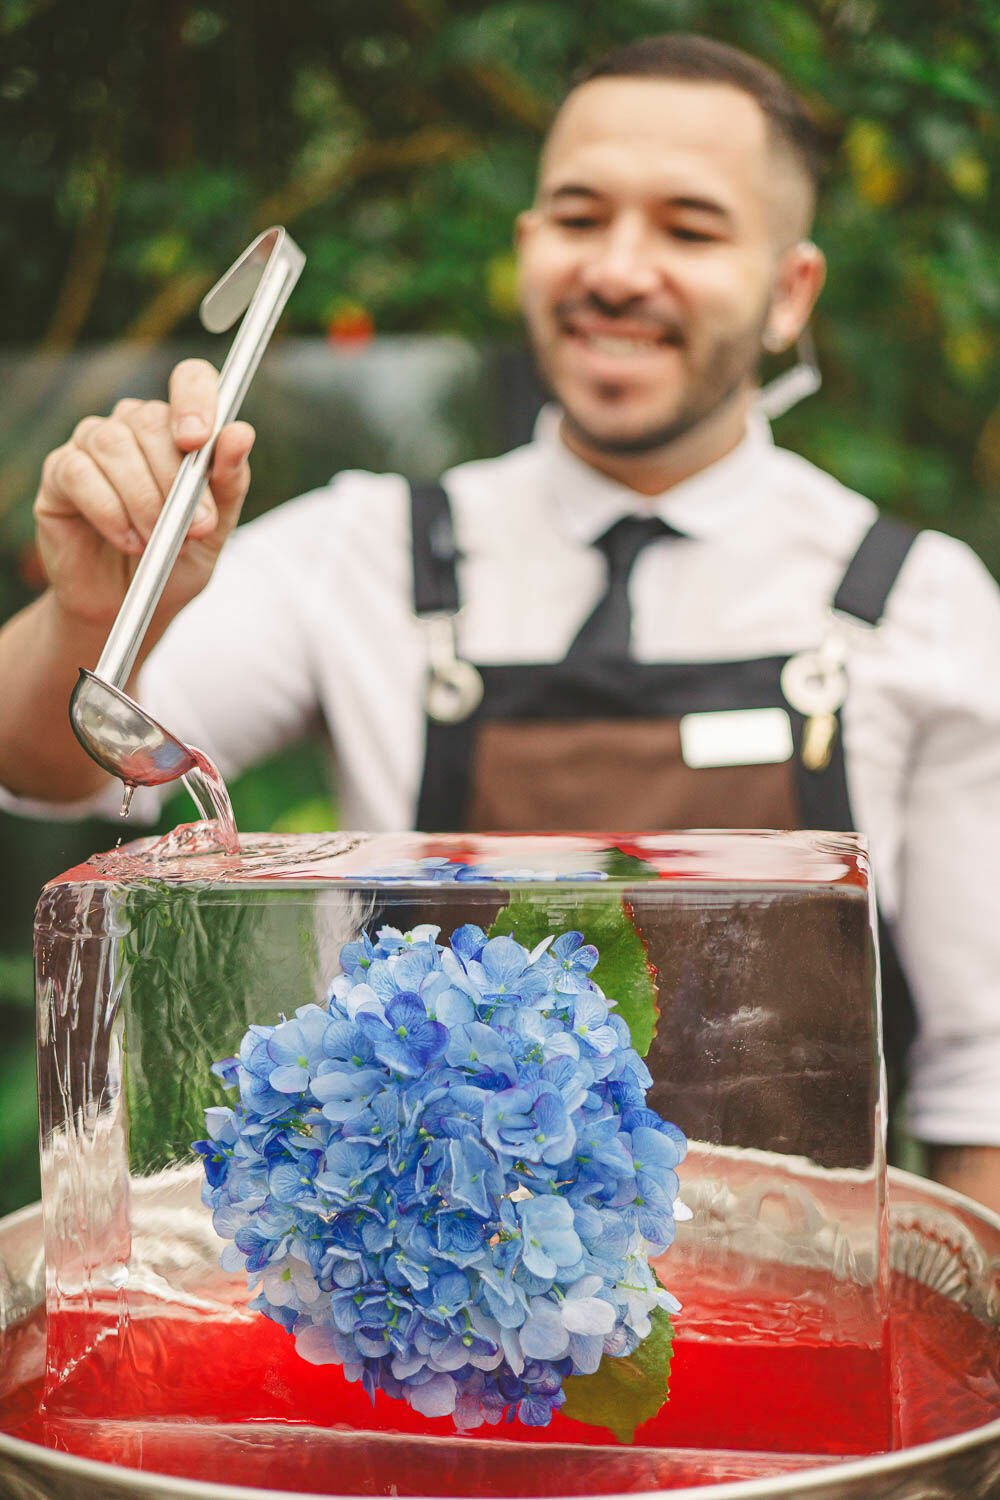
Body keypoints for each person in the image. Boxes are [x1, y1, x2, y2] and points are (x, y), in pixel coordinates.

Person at [2, 35, 999, 1207]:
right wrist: (90, 610)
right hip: (423, 1301)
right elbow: (51, 765)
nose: (617, 270)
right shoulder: (364, 549)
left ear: (789, 292)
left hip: (791, 1300)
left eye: (689, 229)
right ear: (527, 247)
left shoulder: (917, 602)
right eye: (579, 217)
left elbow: (982, 1083)